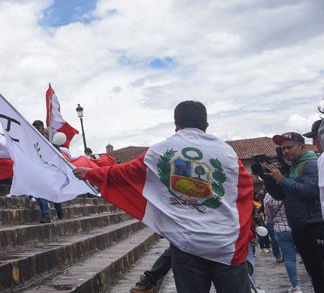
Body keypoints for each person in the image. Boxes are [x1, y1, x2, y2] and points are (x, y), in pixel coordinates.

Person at [73, 101, 252, 293]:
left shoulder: (159, 152)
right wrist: (246, 233)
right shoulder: (227, 154)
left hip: (186, 245)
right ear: (206, 125)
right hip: (226, 245)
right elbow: (244, 192)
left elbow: (122, 172)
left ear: (176, 124)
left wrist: (90, 173)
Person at [262, 131, 324, 292]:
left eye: (290, 147)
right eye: (283, 149)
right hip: (299, 227)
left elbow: (310, 191)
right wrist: (269, 179)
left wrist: (281, 179)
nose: (286, 152)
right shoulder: (293, 167)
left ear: (302, 146)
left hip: (315, 226)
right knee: (314, 272)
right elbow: (279, 195)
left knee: (320, 272)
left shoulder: (310, 164)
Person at [265, 190, 301, 292]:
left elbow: (268, 216)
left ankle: (296, 286)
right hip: (297, 227)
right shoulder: (292, 191)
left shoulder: (269, 197)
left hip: (281, 230)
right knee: (308, 257)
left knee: (289, 259)